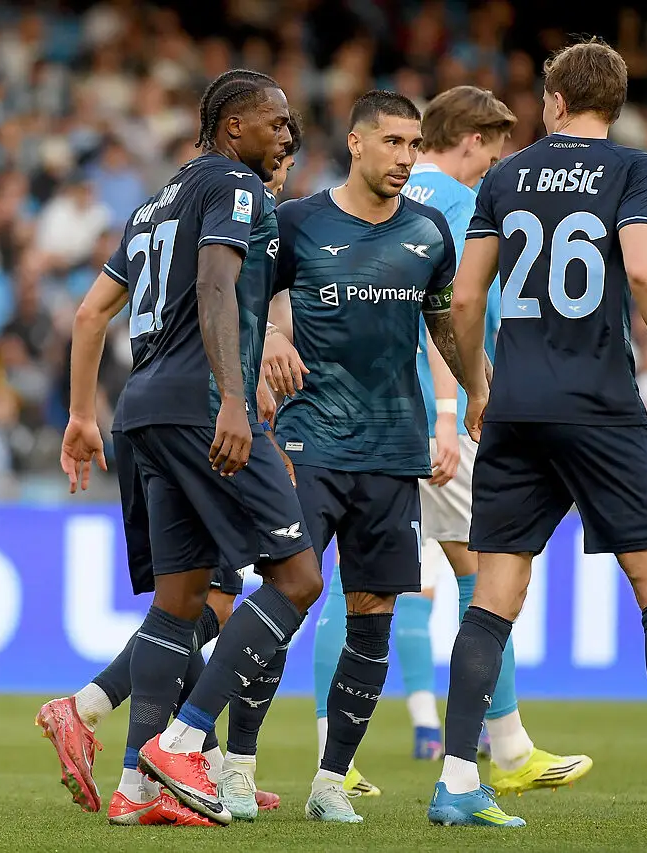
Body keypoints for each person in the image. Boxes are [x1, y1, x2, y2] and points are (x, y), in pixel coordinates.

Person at [426, 39, 647, 831]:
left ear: (553, 100)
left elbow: (464, 298)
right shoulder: (634, 169)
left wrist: (481, 388)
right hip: (599, 405)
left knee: (492, 594)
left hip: (516, 407)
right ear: (612, 106)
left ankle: (455, 780)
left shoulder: (507, 173)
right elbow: (646, 272)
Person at [60, 68, 323, 829]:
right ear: (231, 127)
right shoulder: (236, 190)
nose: (286, 132)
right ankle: (180, 742)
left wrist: (82, 413)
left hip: (142, 411)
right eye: (273, 121)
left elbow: (89, 313)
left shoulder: (149, 208)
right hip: (205, 408)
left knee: (177, 603)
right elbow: (216, 285)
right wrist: (236, 399)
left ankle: (136, 791)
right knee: (297, 576)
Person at [254, 90, 466, 824]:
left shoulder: (430, 231)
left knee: (373, 612)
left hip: (392, 449)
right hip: (310, 443)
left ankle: (330, 780)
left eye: (415, 144)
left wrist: (476, 404)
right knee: (289, 595)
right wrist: (272, 337)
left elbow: (444, 330)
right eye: (395, 142)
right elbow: (247, 299)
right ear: (356, 143)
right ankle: (235, 762)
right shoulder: (300, 221)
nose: (408, 157)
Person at [378, 84, 593, 794]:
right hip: (445, 411)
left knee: (352, 578)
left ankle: (330, 760)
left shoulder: (389, 196)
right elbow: (458, 313)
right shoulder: (466, 204)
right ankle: (504, 749)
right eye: (492, 153)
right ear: (472, 139)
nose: (492, 168)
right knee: (484, 571)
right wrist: (463, 398)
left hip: (371, 406)